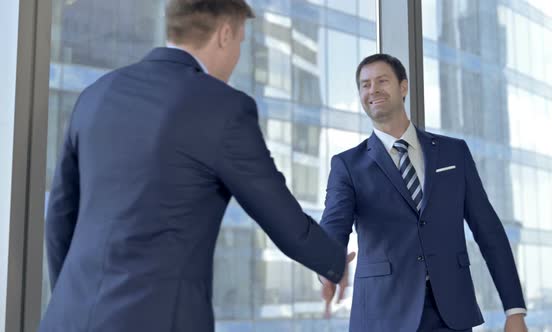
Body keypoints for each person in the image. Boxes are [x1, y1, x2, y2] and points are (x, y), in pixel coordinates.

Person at [39, 1, 353, 331]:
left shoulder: (95, 95)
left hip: (66, 318)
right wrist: (333, 263)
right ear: (225, 34)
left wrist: (74, 296)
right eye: (240, 43)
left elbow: (60, 219)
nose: (236, 57)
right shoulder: (223, 106)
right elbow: (281, 217)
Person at [319, 54, 528, 332]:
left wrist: (514, 310)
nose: (373, 90)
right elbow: (334, 225)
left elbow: (488, 230)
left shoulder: (454, 153)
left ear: (403, 87)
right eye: (365, 84)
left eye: (382, 81)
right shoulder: (347, 165)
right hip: (384, 316)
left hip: (451, 313)